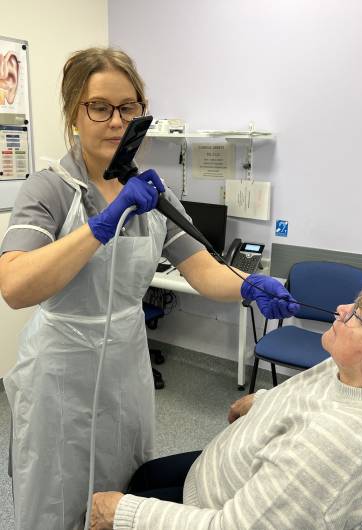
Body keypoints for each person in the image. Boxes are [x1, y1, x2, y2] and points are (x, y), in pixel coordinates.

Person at [0, 47, 298, 530]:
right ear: (74, 113)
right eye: (100, 107)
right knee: (58, 489)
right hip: (61, 369)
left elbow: (202, 270)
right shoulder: (48, 188)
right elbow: (15, 286)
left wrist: (249, 285)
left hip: (126, 362)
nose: (117, 121)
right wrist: (100, 226)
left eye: (128, 107)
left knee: (125, 483)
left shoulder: (152, 194)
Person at [90, 270, 362, 530]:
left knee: (120, 503)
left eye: (358, 315)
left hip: (212, 512)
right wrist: (261, 401)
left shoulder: (332, 445)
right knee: (144, 476)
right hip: (214, 478)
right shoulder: (350, 369)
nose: (342, 308)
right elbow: (306, 398)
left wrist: (123, 514)